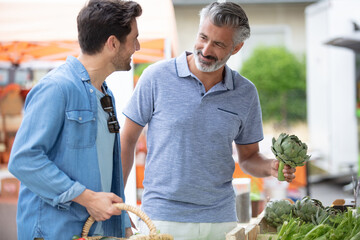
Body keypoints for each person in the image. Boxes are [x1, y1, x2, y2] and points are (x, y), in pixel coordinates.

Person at [120, 2, 296, 240]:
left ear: (236, 47)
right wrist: (117, 200)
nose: (205, 48)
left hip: (220, 221)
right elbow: (128, 140)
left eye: (218, 44)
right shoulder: (156, 77)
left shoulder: (245, 92)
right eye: (203, 37)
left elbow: (248, 158)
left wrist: (269, 167)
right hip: (162, 218)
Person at [8, 0, 142, 239]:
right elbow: (24, 159)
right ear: (112, 43)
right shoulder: (56, 88)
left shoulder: (105, 93)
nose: (137, 47)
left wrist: (122, 223)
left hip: (94, 232)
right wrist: (88, 198)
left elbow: (107, 169)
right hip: (53, 231)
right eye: (134, 39)